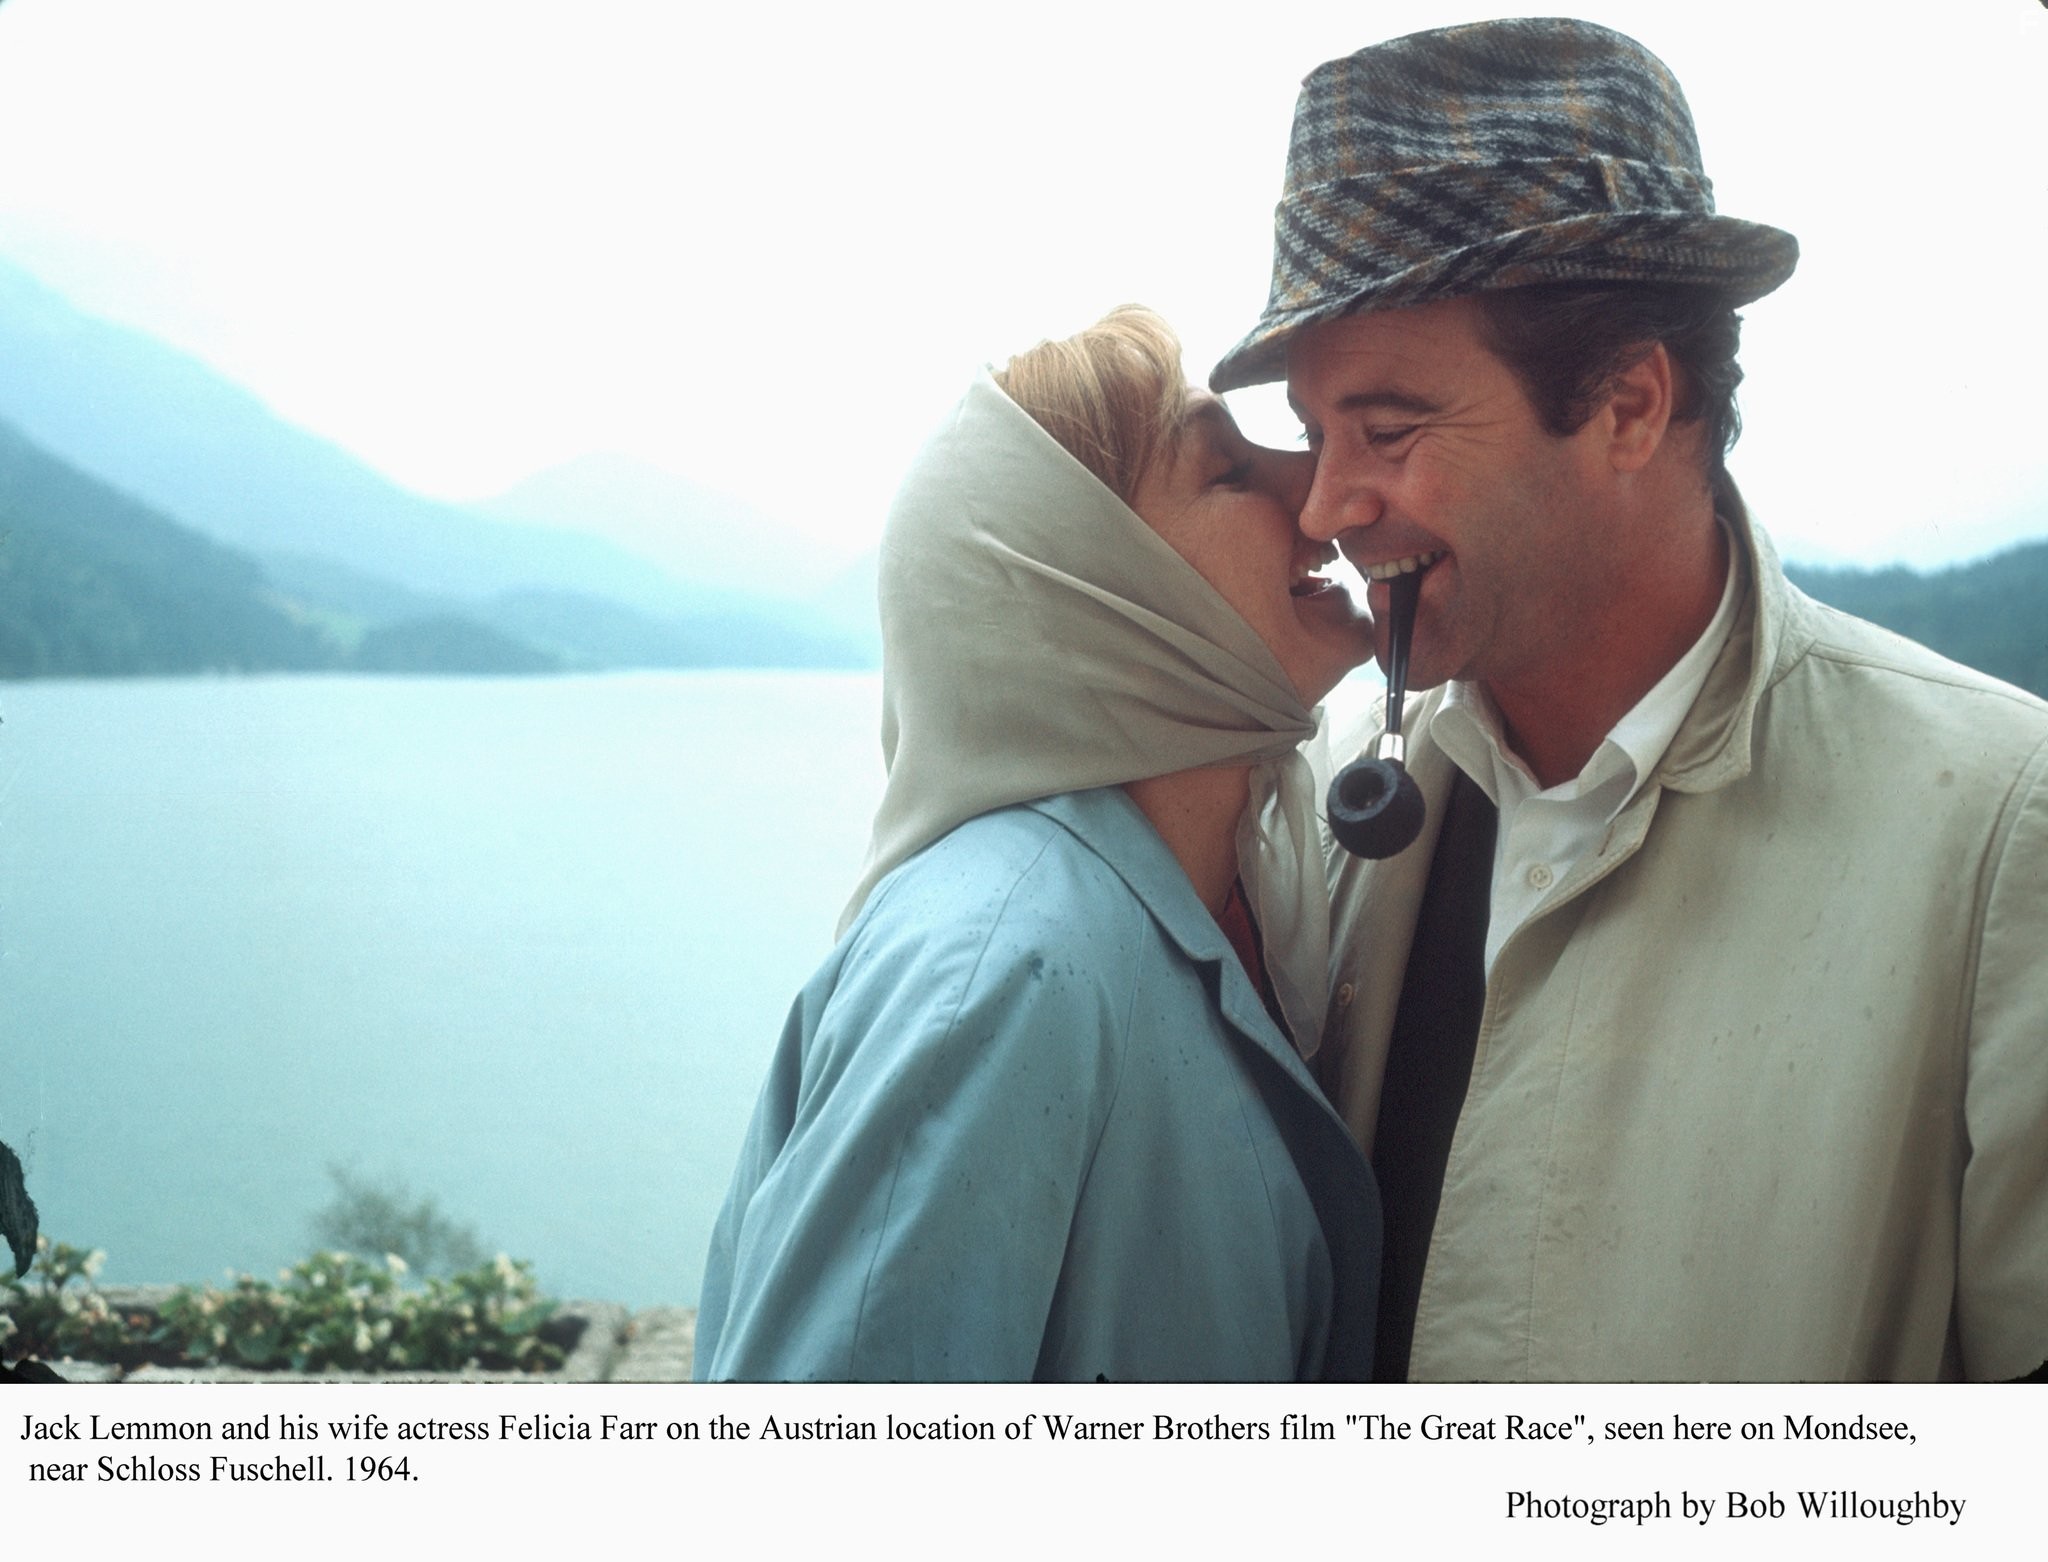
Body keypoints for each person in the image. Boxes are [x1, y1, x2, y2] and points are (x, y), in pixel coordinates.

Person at [1210, 17, 2048, 1382]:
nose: (1325, 504)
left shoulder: (2007, 820)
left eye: (1390, 428)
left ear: (1629, 405)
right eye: (1315, 433)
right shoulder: (1364, 794)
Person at [695, 307, 1380, 1381]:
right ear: (1100, 591)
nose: (1315, 485)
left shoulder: (1213, 903)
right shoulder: (1002, 968)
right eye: (1227, 472)